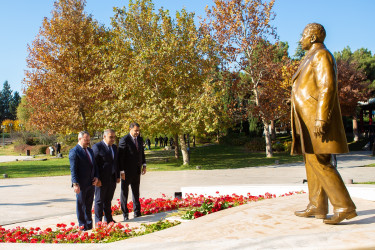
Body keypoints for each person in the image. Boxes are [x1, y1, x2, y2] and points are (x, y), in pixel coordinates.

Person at [291, 23, 356, 225]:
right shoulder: (310, 56)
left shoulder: (321, 55)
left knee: (321, 161)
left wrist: (321, 117)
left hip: (316, 117)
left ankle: (344, 206)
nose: (300, 39)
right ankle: (317, 205)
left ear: (312, 38)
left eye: (302, 35)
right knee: (310, 160)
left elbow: (327, 86)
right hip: (306, 117)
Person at [69, 131, 99, 230]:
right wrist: (75, 184)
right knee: (81, 205)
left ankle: (89, 225)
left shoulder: (90, 151)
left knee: (89, 205)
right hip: (81, 184)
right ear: (80, 139)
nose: (88, 142)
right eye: (86, 140)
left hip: (91, 183)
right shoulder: (74, 151)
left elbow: (94, 166)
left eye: (89, 140)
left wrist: (96, 177)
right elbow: (73, 169)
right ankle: (82, 225)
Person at [118, 122, 147, 220]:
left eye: (138, 130)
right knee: (124, 194)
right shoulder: (124, 140)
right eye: (136, 130)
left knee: (136, 193)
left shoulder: (139, 139)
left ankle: (137, 213)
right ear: (130, 129)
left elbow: (141, 153)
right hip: (126, 173)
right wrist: (121, 171)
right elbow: (120, 157)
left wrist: (144, 164)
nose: (137, 132)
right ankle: (125, 214)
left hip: (136, 171)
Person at [92, 129, 120, 225]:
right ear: (104, 137)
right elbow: (94, 164)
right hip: (101, 180)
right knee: (99, 201)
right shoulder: (97, 147)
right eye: (110, 137)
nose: (113, 139)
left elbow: (116, 162)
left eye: (114, 137)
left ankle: (109, 219)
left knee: (108, 200)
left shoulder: (114, 148)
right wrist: (97, 178)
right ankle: (98, 221)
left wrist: (117, 176)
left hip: (112, 178)